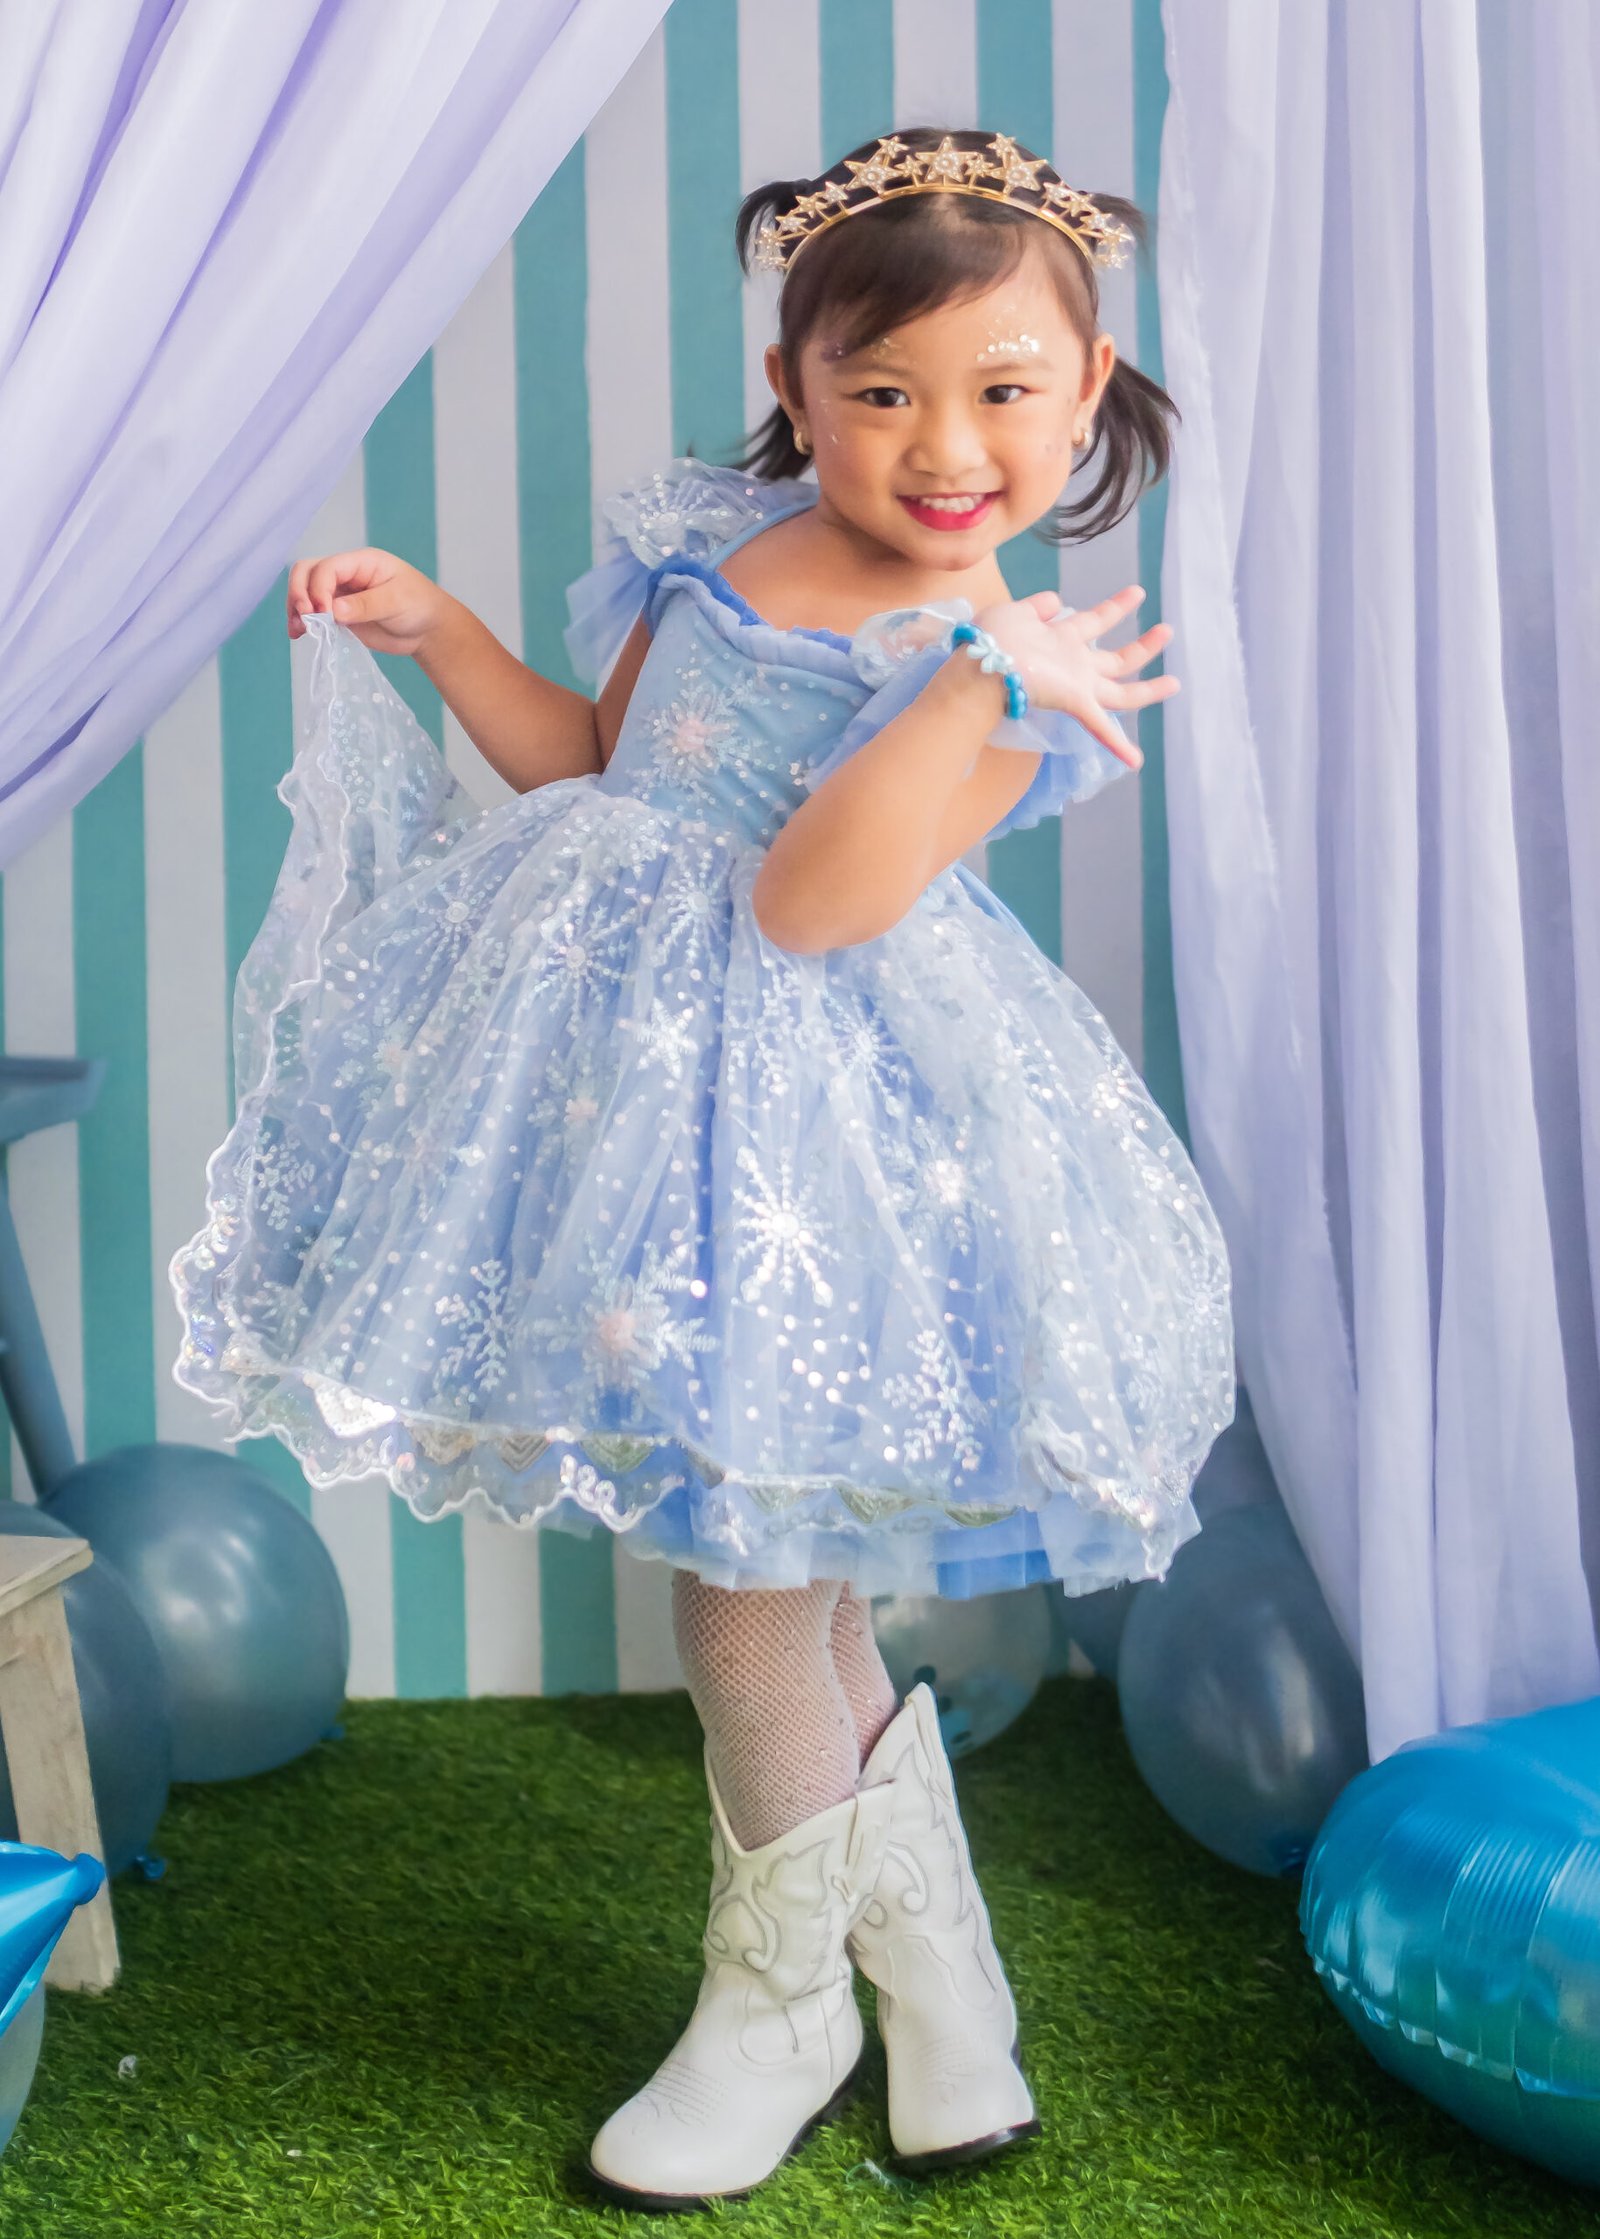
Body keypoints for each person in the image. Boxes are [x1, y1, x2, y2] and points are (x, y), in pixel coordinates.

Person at [171, 124, 1234, 2211]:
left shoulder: (1015, 669)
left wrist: (971, 681)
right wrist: (443, 631)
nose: (946, 447)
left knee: (745, 1599)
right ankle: (946, 2004)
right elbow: (597, 761)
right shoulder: (719, 544)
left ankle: (782, 2009)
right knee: (779, 1582)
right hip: (620, 1113)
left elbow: (809, 904)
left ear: (1085, 390)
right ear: (795, 381)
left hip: (807, 1150)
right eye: (881, 391)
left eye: (1003, 391)